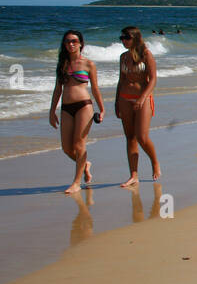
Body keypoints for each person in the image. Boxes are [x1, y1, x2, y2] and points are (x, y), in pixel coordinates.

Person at [48, 29, 105, 195]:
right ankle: (85, 165)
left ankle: (76, 182)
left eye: (73, 41)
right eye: (67, 41)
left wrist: (102, 109)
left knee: (79, 144)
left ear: (81, 43)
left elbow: (95, 88)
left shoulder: (88, 64)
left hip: (84, 106)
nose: (70, 44)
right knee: (67, 147)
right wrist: (52, 111)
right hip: (66, 108)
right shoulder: (62, 64)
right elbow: (57, 89)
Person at [115, 26, 160, 188]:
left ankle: (154, 161)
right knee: (130, 137)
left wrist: (142, 98)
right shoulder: (123, 57)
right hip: (124, 98)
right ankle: (133, 175)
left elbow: (153, 79)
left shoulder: (146, 54)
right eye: (122, 38)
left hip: (143, 97)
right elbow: (121, 81)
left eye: (126, 37)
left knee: (142, 136)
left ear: (135, 38)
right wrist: (116, 102)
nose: (123, 41)